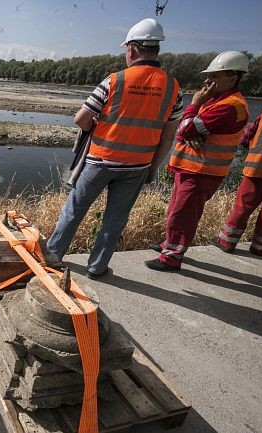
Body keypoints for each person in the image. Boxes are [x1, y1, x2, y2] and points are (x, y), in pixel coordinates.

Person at [43, 18, 183, 279]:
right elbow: (168, 137)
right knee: (115, 219)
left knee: (74, 211)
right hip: (137, 167)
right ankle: (96, 267)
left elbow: (81, 119)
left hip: (100, 161)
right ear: (157, 50)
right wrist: (153, 168)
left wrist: (95, 124)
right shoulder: (174, 89)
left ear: (131, 49)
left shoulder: (115, 81)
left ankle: (52, 258)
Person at [146, 51, 250, 271]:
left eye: (214, 76)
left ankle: (172, 258)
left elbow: (185, 127)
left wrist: (193, 107)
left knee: (183, 215)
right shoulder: (215, 101)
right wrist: (190, 128)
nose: (207, 81)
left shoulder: (230, 106)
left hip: (202, 171)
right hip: (191, 168)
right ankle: (169, 246)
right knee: (176, 210)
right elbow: (185, 131)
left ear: (233, 77)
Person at [211, 109, 262, 256]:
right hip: (257, 166)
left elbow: (248, 135)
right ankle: (261, 247)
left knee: (243, 206)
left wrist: (246, 145)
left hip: (257, 167)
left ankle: (226, 241)